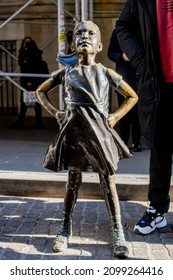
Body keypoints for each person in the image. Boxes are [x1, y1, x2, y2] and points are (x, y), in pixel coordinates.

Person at [36, 21, 138, 258]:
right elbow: (41, 91)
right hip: (74, 135)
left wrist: (113, 117)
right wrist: (57, 113)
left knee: (108, 182)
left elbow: (132, 96)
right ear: (73, 43)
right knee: (72, 181)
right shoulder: (66, 72)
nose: (85, 36)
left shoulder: (106, 74)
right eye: (80, 33)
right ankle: (65, 227)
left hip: (100, 135)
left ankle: (117, 231)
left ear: (99, 45)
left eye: (91, 33)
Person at [116, 0, 172, 235]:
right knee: (160, 149)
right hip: (157, 85)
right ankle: (157, 211)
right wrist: (141, 61)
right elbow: (123, 27)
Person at [108, 29, 141, 152]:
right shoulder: (117, 32)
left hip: (138, 78)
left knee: (138, 114)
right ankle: (123, 142)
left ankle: (137, 142)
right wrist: (121, 56)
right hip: (123, 79)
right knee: (123, 113)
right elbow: (110, 53)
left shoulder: (141, 30)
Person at [11, 36, 49, 129]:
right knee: (25, 102)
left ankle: (37, 122)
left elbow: (31, 68)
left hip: (31, 81)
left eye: (28, 43)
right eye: (24, 43)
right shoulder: (24, 54)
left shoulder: (33, 54)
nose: (25, 45)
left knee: (34, 101)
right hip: (26, 80)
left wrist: (29, 81)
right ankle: (22, 122)